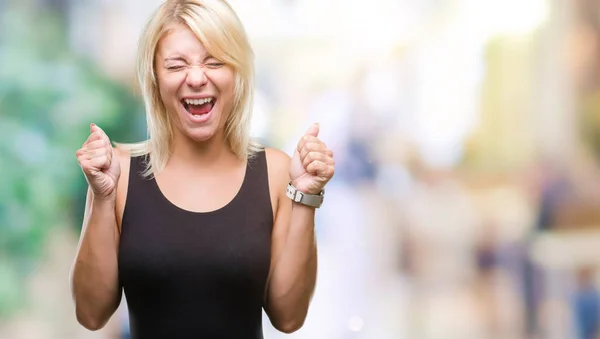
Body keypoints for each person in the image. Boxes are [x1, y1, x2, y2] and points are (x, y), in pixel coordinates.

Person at [69, 0, 335, 338]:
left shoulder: (276, 173)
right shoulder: (117, 173)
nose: (196, 78)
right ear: (155, 77)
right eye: (176, 65)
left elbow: (289, 317)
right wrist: (102, 197)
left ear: (237, 73)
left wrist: (306, 196)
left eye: (215, 61)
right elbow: (91, 314)